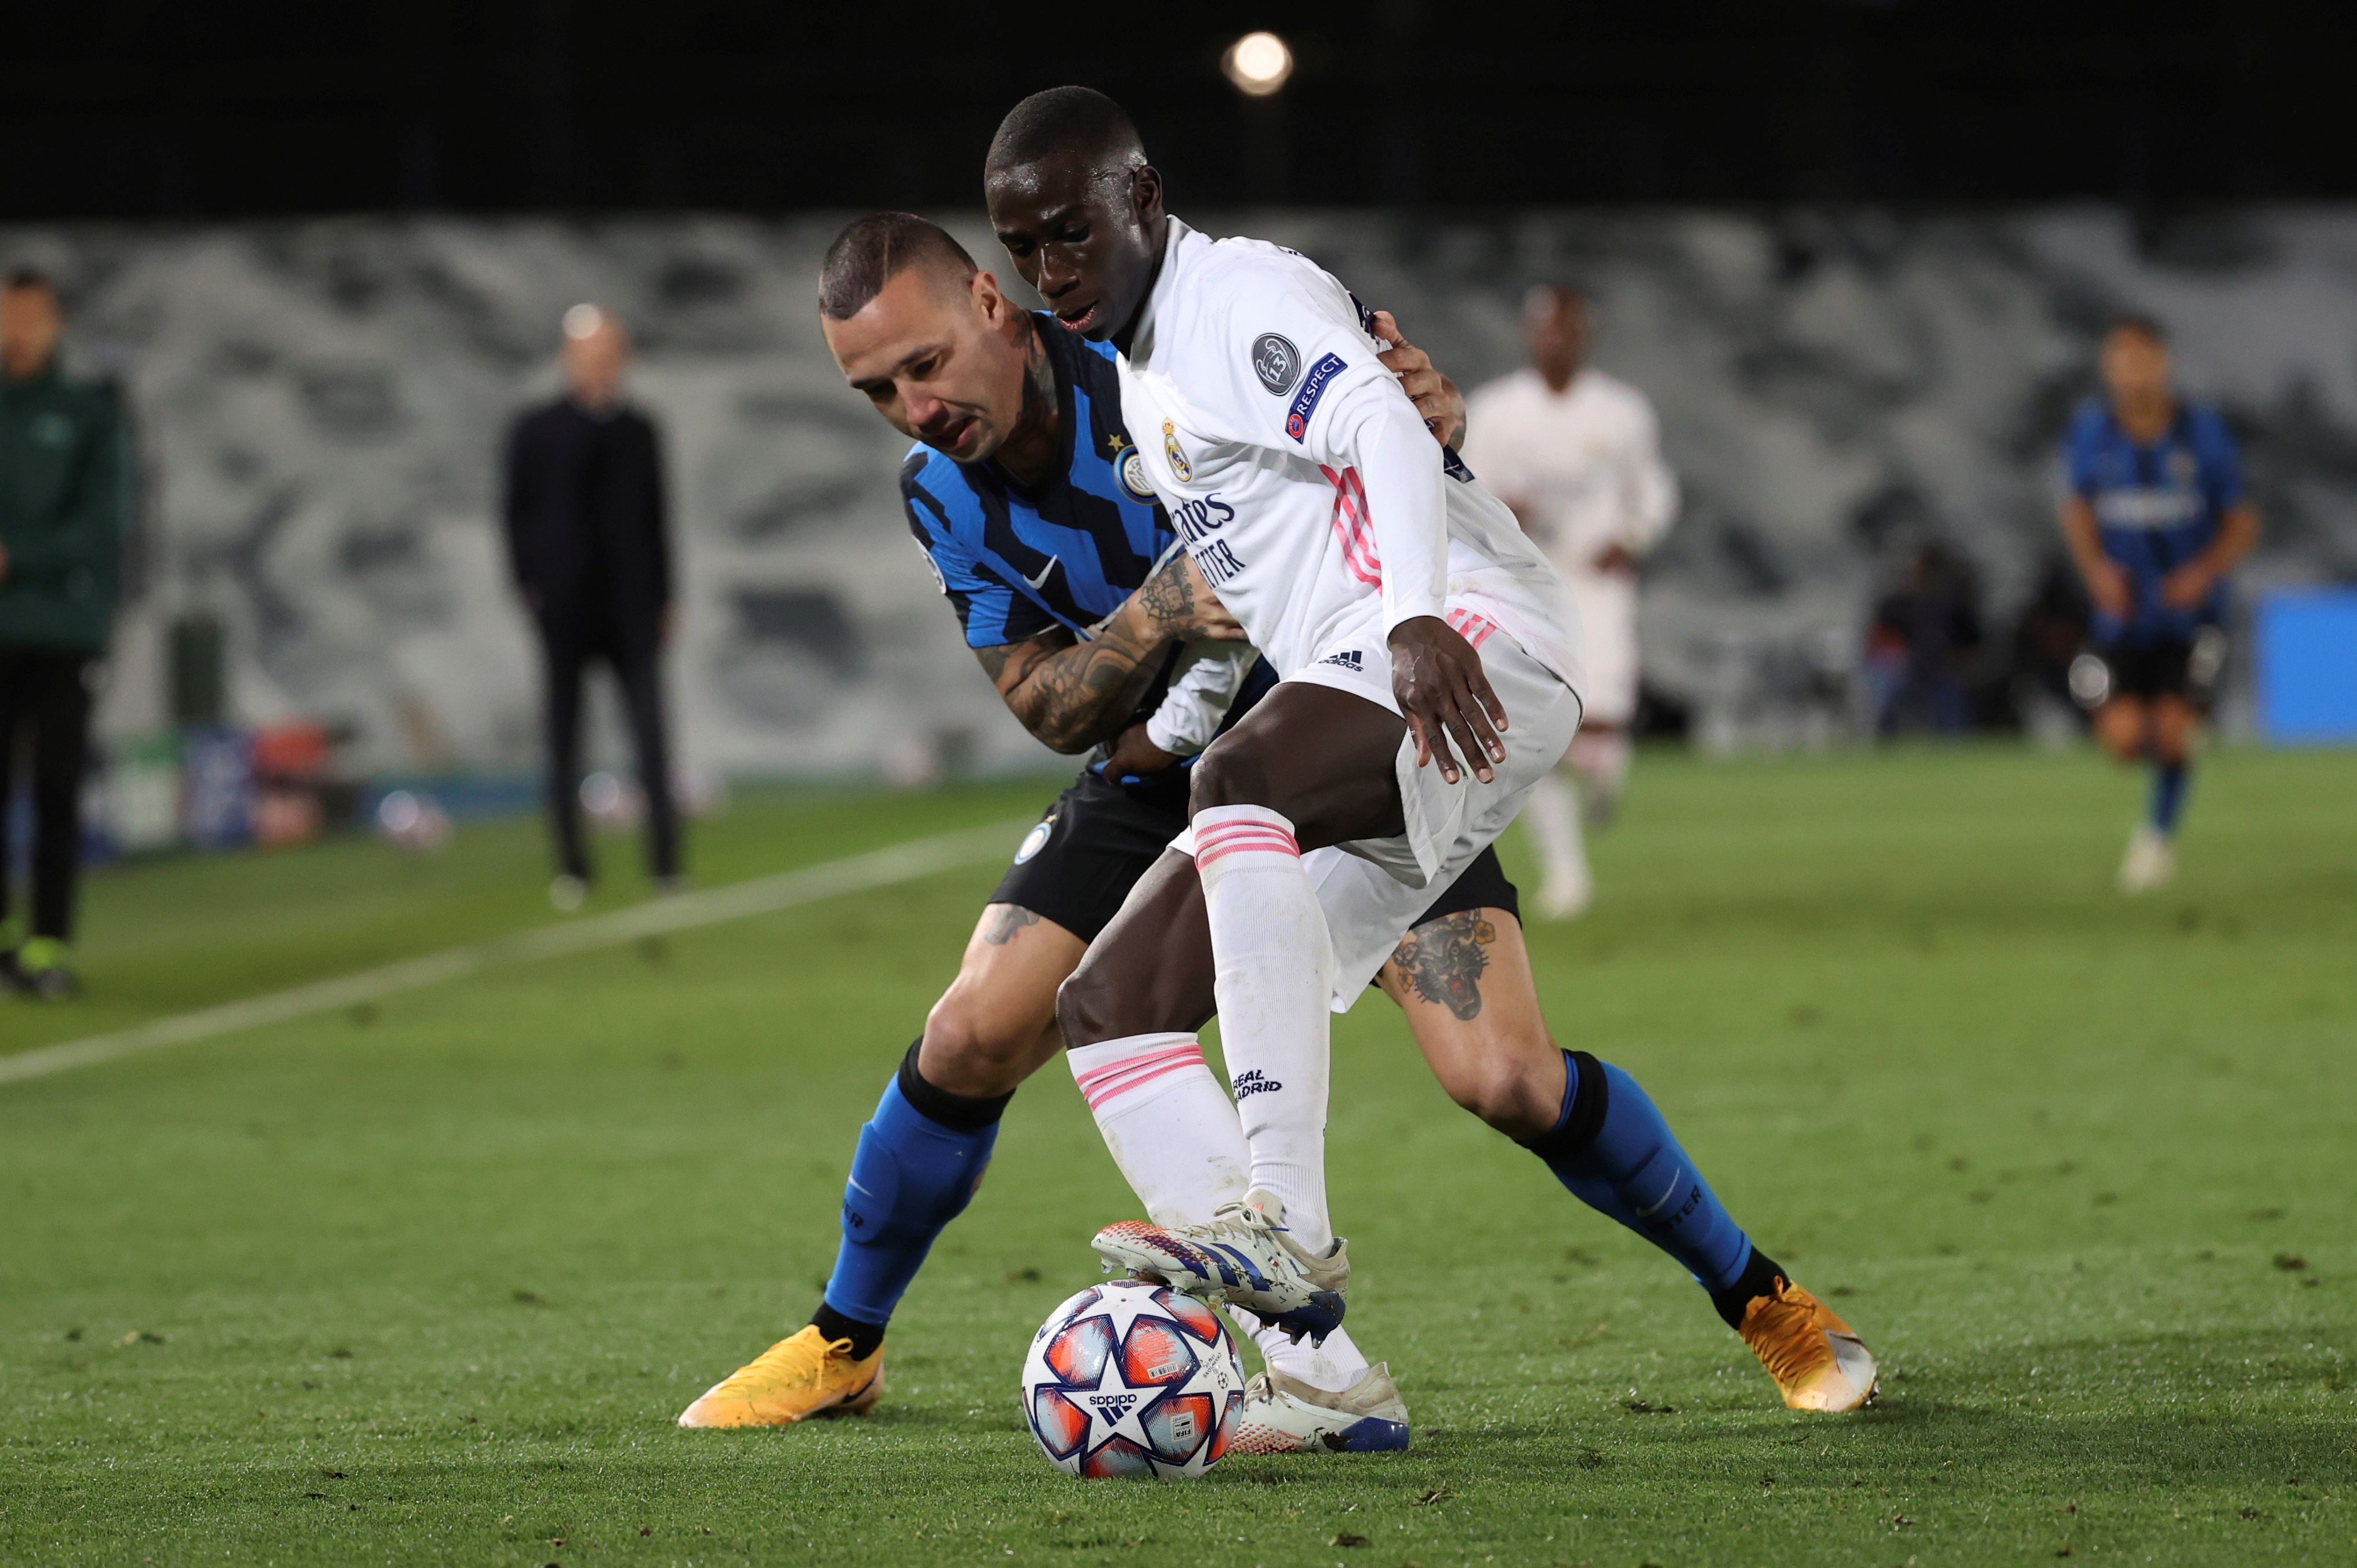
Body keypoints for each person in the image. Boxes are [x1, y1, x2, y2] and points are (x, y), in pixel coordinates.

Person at [677, 211, 1869, 1447]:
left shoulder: (1144, 353)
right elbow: (1041, 703)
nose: (913, 408)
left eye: (921, 366)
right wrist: (1152, 620)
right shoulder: (942, 496)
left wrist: (1432, 427)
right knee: (975, 1028)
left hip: (1346, 733)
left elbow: (1369, 436)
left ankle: (1761, 1296)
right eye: (875, 391)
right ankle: (853, 1340)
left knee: (1504, 1076)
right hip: (1154, 771)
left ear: (991, 303)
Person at [985, 88, 1874, 1404]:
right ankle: (1323, 1385)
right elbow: (1253, 587)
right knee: (1110, 1009)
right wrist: (1167, 725)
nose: (1051, 270)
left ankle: (1286, 1217)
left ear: (1143, 200)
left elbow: (1381, 427)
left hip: (1470, 644)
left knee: (1247, 789)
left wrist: (1411, 615)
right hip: (1344, 701)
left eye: (1069, 233)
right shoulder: (1145, 367)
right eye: (1025, 251)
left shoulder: (1238, 302)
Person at [1463, 286, 1677, 917]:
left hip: (1596, 582)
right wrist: (1504, 512)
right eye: (1545, 330)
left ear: (1584, 334)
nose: (1555, 340)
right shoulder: (1498, 410)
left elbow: (1653, 488)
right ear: (1532, 335)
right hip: (1528, 586)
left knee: (1604, 716)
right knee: (1539, 731)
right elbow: (1465, 486)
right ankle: (1567, 874)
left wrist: (1632, 537)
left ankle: (1604, 769)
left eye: (1567, 329)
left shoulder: (1619, 411)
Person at [2059, 315, 2260, 893]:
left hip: (2191, 621)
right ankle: (2171, 752)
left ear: (2162, 364)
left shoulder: (2201, 434)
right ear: (2108, 367)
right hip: (2119, 621)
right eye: (2120, 359)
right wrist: (2095, 568)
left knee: (2170, 732)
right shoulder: (2092, 432)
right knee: (2123, 741)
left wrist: (2202, 571)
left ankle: (2154, 839)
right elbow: (2075, 508)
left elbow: (2242, 520)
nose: (2132, 371)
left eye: (2142, 359)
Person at [501, 304, 681, 910]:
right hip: (566, 605)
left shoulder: (639, 430)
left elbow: (657, 519)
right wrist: (527, 582)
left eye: (610, 354)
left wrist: (664, 595)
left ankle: (665, 864)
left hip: (631, 604)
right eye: (590, 355)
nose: (601, 366)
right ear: (569, 359)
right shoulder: (538, 429)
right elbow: (515, 513)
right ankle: (572, 867)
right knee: (563, 738)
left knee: (651, 733)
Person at [0, 268, 132, 1000]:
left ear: (54, 325)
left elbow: (101, 523)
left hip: (63, 630)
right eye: (5, 315)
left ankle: (47, 943)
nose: (15, 330)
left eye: (28, 316)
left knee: (55, 787)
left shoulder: (90, 410)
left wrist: (19, 557)